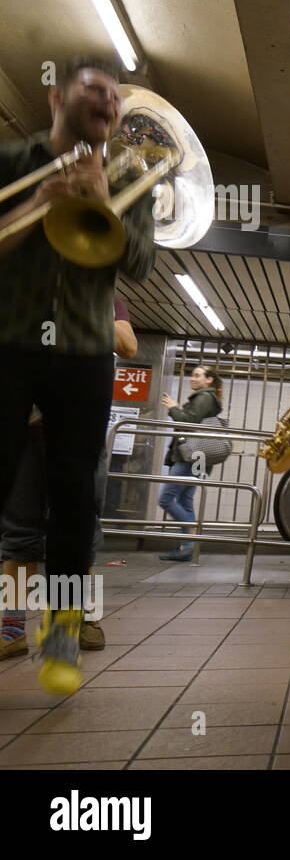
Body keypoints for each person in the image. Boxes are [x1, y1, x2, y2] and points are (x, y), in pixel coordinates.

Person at [0, 57, 155, 695]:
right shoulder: (14, 160)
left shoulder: (129, 172)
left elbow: (141, 265)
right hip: (8, 343)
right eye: (95, 92)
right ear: (56, 95)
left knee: (74, 502)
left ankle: (61, 630)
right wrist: (40, 202)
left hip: (86, 355)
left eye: (116, 100)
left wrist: (99, 201)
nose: (109, 106)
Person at [0, 295, 135, 659]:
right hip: (26, 430)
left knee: (78, 529)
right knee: (18, 537)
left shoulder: (104, 299)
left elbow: (128, 344)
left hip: (78, 433)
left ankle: (82, 618)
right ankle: (12, 630)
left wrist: (77, 305)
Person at [156, 365, 224, 561]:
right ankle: (187, 548)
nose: (192, 378)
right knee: (185, 499)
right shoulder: (210, 398)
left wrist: (173, 408)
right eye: (192, 375)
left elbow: (190, 422)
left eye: (197, 375)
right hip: (200, 457)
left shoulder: (204, 397)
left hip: (189, 455)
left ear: (209, 380)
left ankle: (192, 535)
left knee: (166, 499)